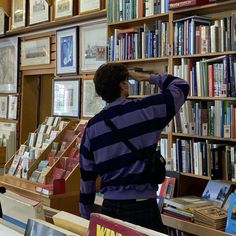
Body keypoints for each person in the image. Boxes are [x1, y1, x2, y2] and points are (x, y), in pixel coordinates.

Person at [79, 63, 189, 233]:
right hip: (142, 205)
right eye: (127, 80)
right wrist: (146, 77)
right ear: (122, 85)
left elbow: (87, 177)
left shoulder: (92, 127)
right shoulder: (147, 109)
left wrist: (86, 215)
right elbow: (181, 85)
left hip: (109, 207)